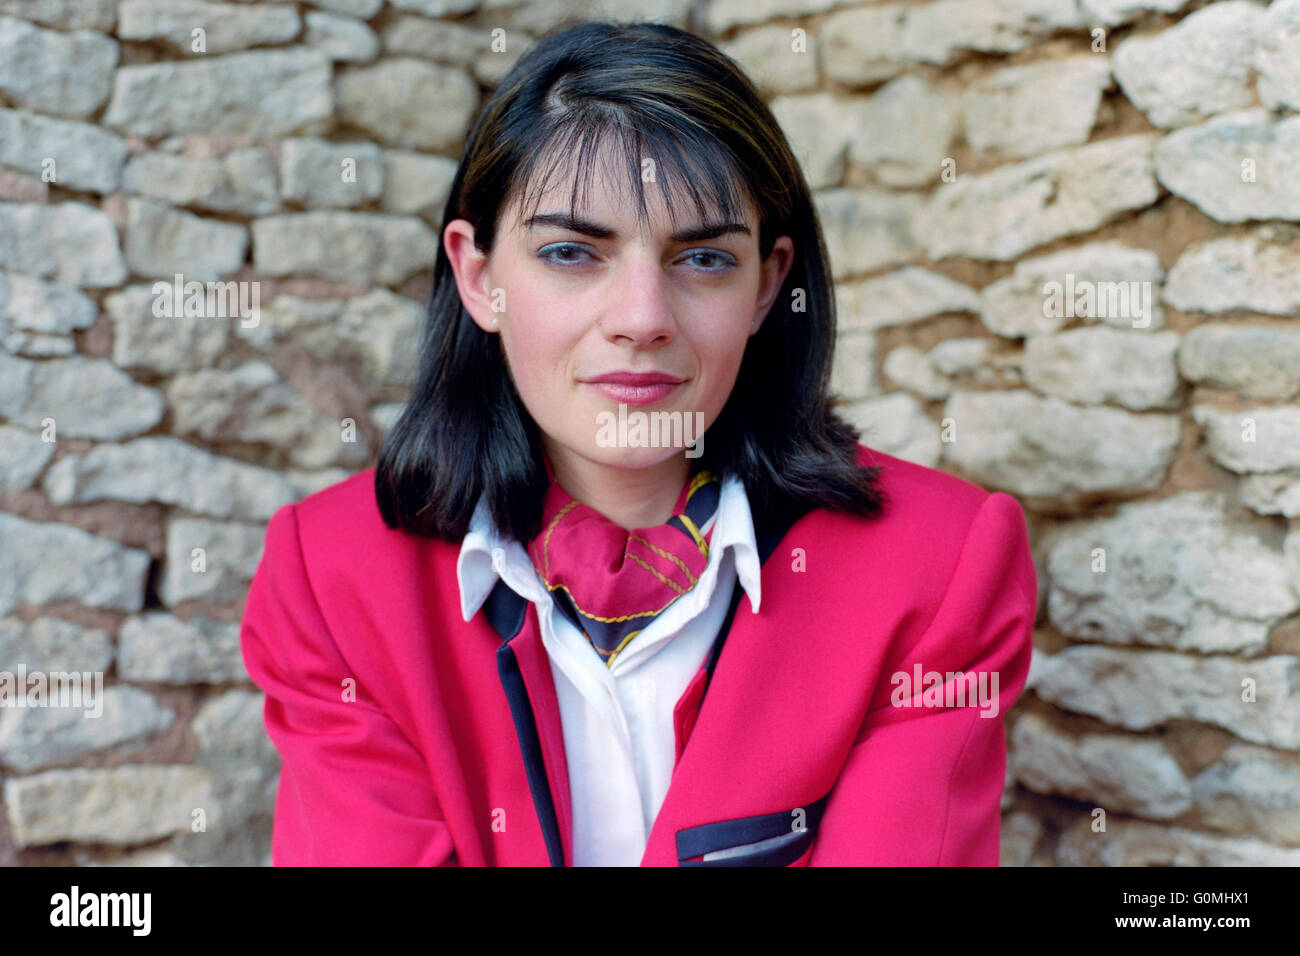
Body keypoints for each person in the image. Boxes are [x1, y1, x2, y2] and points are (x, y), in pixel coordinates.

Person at [239, 19, 1037, 866]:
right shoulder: (332, 580)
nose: (643, 320)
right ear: (479, 277)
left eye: (702, 261)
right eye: (572, 252)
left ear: (768, 286)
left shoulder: (939, 567)